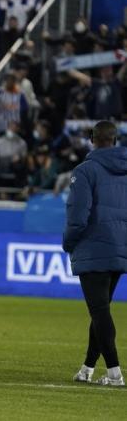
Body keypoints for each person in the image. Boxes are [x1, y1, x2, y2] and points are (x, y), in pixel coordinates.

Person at [63, 121, 127, 387]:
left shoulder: (85, 171)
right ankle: (87, 369)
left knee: (99, 311)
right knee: (100, 310)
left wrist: (69, 242)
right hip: (120, 247)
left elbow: (78, 216)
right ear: (115, 139)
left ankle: (115, 374)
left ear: (92, 139)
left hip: (93, 247)